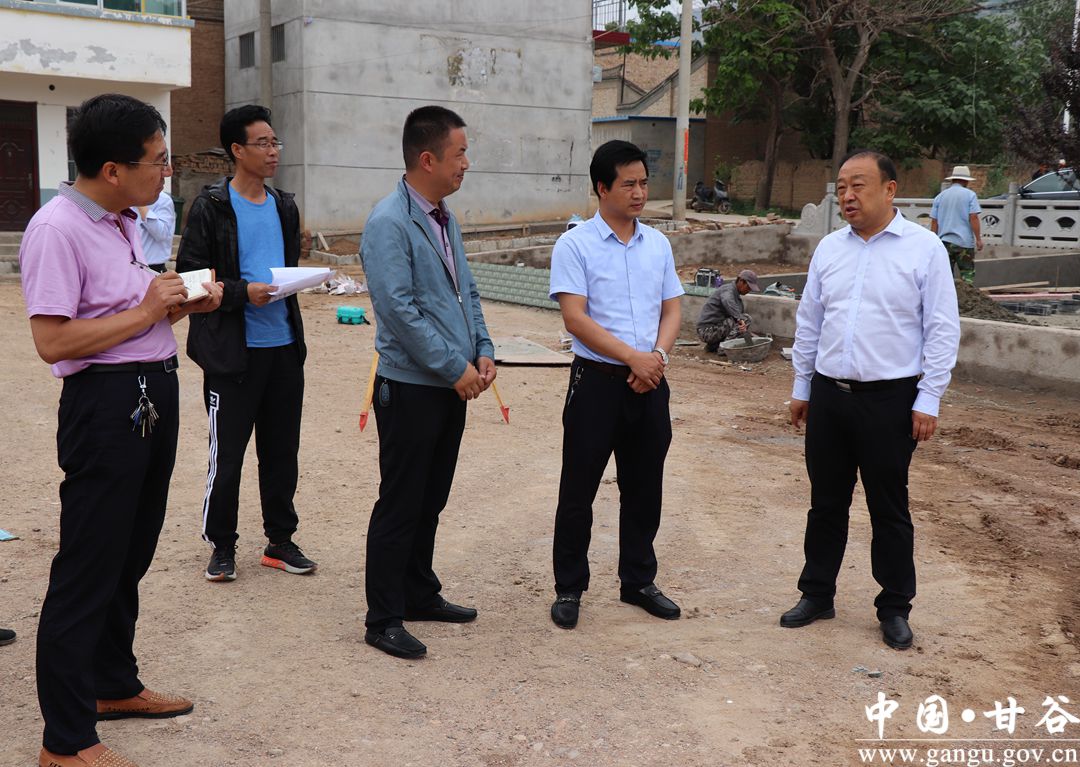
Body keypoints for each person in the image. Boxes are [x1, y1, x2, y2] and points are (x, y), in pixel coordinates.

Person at [19, 93, 222, 767]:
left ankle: (112, 683)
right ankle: (65, 740)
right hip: (105, 406)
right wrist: (146, 311)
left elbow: (127, 314)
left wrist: (180, 304)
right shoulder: (56, 229)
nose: (166, 171)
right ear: (113, 169)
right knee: (88, 566)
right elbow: (54, 342)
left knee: (128, 555)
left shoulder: (122, 221)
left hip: (150, 391)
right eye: (157, 161)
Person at [782, 150, 960, 651]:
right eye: (841, 187)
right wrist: (801, 388)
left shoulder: (924, 249)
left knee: (889, 507)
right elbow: (810, 321)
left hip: (891, 400)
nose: (847, 196)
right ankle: (817, 593)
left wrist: (929, 398)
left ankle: (895, 607)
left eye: (858, 185)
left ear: (889, 189)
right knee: (826, 503)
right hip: (829, 395)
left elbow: (942, 328)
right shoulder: (829, 249)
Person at [360, 105, 496, 659]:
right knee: (401, 501)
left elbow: (467, 290)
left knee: (430, 498)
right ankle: (383, 617)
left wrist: (482, 348)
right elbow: (398, 311)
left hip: (449, 384)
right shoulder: (389, 222)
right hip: (412, 386)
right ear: (427, 159)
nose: (466, 163)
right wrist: (453, 367)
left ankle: (418, 592)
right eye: (459, 153)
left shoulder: (443, 217)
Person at [547, 140, 684, 630]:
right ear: (602, 188)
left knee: (645, 487)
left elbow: (672, 308)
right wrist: (633, 358)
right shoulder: (575, 245)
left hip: (650, 383)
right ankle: (569, 587)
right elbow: (575, 319)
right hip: (597, 384)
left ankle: (639, 581)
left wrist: (657, 359)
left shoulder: (658, 245)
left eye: (644, 183)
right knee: (578, 489)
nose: (639, 192)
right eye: (629, 184)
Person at [177, 105, 317, 583]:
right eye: (263, 143)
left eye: (275, 142)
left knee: (281, 452)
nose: (274, 151)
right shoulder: (211, 207)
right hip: (232, 353)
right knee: (228, 455)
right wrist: (243, 292)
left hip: (284, 347)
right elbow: (191, 279)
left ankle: (280, 541)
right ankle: (222, 545)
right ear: (237, 150)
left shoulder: (284, 206)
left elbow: (285, 267)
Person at [930, 165, 982, 284]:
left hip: (944, 243)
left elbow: (934, 221)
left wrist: (933, 241)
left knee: (945, 277)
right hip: (964, 243)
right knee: (967, 275)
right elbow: (973, 217)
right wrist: (978, 239)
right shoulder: (970, 195)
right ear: (965, 181)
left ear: (953, 179)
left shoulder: (940, 196)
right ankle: (967, 295)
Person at [696, 269, 761, 352]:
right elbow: (727, 300)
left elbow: (738, 328)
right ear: (741, 281)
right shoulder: (728, 290)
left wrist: (753, 337)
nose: (748, 291)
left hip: (712, 330)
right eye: (748, 287)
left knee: (740, 324)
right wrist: (739, 319)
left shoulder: (736, 298)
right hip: (707, 331)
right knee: (745, 318)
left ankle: (714, 346)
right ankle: (725, 349)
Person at [133, 188, 175, 273]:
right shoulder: (124, 198)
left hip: (152, 268)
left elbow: (162, 234)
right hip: (128, 266)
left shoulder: (163, 199)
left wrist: (141, 205)